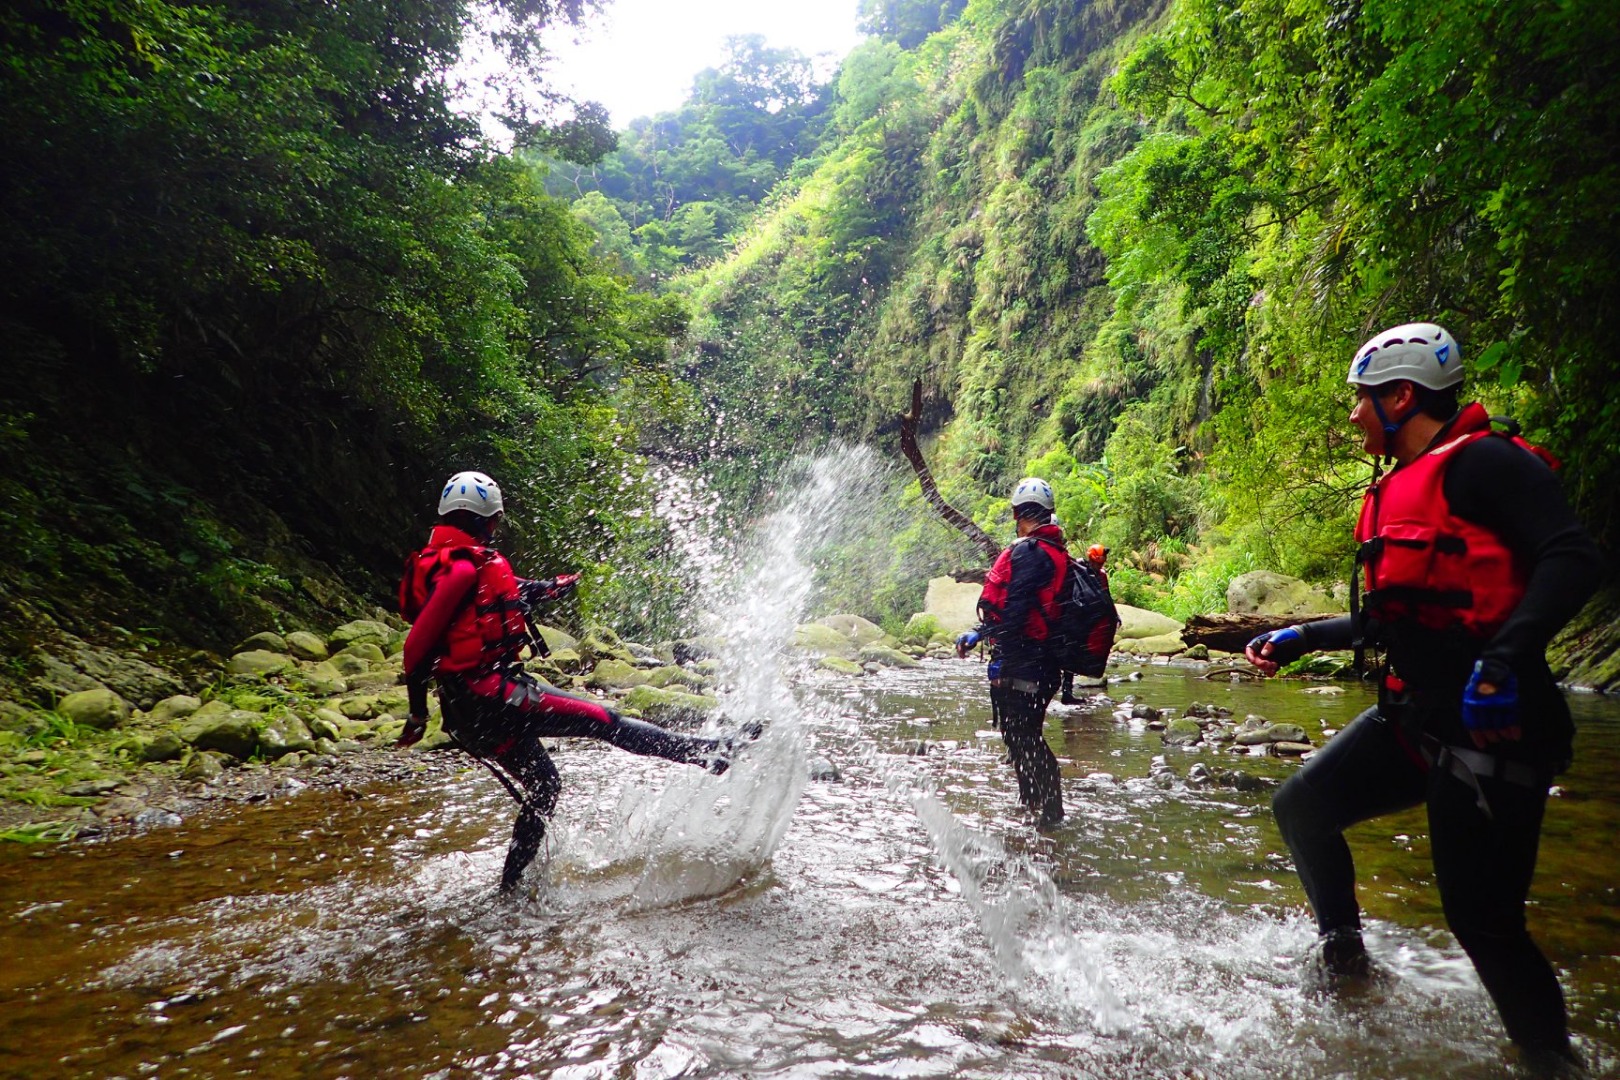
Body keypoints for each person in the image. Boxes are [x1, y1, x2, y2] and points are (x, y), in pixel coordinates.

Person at [1244, 323, 1602, 1069]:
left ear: (1402, 396)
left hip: (1494, 730)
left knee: (1484, 924)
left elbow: (1572, 556)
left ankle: (1553, 1063)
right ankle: (1345, 960)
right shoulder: (1400, 485)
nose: (1353, 417)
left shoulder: (1486, 466)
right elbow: (1395, 616)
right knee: (1301, 807)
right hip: (1415, 717)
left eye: (1362, 402)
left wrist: (1504, 660)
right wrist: (1303, 637)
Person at [398, 470, 749, 894]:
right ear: (485, 520)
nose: (495, 528)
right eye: (495, 521)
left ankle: (510, 890)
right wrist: (417, 714)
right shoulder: (460, 572)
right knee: (605, 719)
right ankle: (708, 754)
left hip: (472, 710)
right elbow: (416, 650)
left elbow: (495, 598)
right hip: (492, 699)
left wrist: (547, 589)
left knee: (545, 784)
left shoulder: (454, 564)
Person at [956, 477, 1071, 827]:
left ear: (1018, 513)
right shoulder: (1055, 551)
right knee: (1020, 734)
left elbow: (1016, 610)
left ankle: (1050, 815)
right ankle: (1033, 806)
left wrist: (986, 637)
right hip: (1046, 662)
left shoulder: (1028, 552)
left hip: (1025, 660)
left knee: (1023, 736)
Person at [1060, 544, 1111, 705]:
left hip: (1090, 620)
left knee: (1079, 653)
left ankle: (1068, 691)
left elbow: (1106, 596)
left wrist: (1113, 616)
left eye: (1101, 563)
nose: (1099, 566)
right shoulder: (1078, 568)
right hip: (1076, 618)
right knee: (1070, 653)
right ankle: (1065, 692)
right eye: (1097, 562)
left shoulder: (1101, 576)